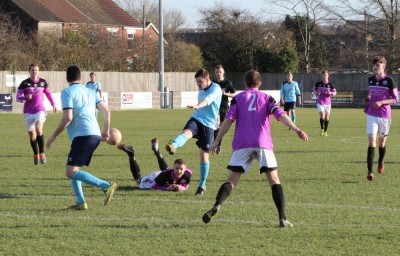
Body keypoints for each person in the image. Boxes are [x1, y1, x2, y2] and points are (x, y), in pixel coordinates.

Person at [202, 70, 308, 228]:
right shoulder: (267, 98)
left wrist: (217, 140)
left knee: (231, 180)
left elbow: (228, 121)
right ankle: (282, 219)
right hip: (262, 143)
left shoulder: (238, 98)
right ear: (260, 83)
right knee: (274, 180)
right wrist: (296, 129)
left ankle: (217, 204)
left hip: (242, 143)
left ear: (245, 83)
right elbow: (281, 116)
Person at [46, 65, 117, 210]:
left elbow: (67, 118)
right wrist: (106, 131)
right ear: (81, 78)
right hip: (94, 135)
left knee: (70, 171)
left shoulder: (67, 92)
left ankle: (106, 186)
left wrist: (53, 136)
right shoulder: (91, 91)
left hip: (83, 136)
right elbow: (107, 110)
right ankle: (80, 202)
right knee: (75, 169)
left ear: (67, 79)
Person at [165, 68, 222, 196]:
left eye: (200, 82)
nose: (198, 84)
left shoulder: (216, 88)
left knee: (203, 156)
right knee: (186, 133)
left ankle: (202, 184)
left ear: (208, 79)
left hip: (209, 126)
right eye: (197, 82)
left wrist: (198, 105)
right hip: (197, 118)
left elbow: (209, 100)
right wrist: (197, 108)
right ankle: (173, 145)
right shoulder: (201, 89)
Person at [363, 56, 398, 181]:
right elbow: (371, 93)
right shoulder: (371, 80)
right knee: (372, 142)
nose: (375, 67)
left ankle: (381, 161)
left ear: (383, 66)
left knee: (381, 143)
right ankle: (370, 172)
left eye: (378, 65)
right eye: (374, 65)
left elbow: (396, 99)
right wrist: (368, 98)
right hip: (372, 114)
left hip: (384, 116)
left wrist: (382, 102)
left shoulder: (389, 81)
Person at [16, 64, 57, 165]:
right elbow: (17, 97)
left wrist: (53, 104)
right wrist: (25, 98)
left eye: (36, 70)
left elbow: (48, 94)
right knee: (32, 135)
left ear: (38, 71)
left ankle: (42, 152)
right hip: (28, 112)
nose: (34, 71)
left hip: (40, 110)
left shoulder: (42, 82)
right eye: (32, 70)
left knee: (39, 129)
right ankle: (36, 154)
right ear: (29, 71)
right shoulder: (24, 83)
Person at [118, 138, 192, 191]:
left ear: (185, 169)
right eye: (177, 168)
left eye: (181, 169)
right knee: (139, 181)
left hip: (165, 174)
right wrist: (166, 188)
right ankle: (131, 154)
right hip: (155, 177)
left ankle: (157, 151)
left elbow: (185, 185)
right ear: (173, 167)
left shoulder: (187, 174)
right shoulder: (162, 176)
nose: (179, 171)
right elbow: (154, 186)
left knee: (165, 171)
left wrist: (180, 187)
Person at [212, 64, 235, 154]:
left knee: (220, 128)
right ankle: (216, 145)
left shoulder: (227, 83)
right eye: (217, 72)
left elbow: (234, 94)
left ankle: (217, 145)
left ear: (223, 72)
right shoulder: (212, 83)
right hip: (214, 106)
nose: (218, 74)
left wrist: (225, 94)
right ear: (215, 72)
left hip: (223, 106)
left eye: (220, 72)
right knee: (215, 127)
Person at [313, 70, 336, 136]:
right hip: (320, 102)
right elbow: (314, 89)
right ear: (322, 76)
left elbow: (335, 92)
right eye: (323, 75)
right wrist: (317, 93)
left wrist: (330, 93)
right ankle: (322, 129)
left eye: (325, 75)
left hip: (328, 103)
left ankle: (325, 131)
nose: (324, 77)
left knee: (327, 117)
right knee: (322, 115)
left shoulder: (330, 85)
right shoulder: (318, 83)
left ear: (328, 76)